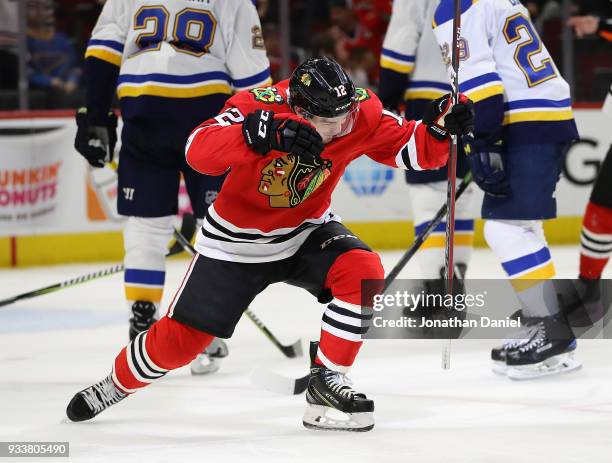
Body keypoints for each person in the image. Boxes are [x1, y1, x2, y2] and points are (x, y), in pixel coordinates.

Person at [66, 57, 475, 431]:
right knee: (178, 345)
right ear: (300, 111)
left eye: (346, 115)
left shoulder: (358, 112)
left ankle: (325, 383)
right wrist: (254, 135)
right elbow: (197, 152)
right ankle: (115, 384)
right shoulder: (257, 106)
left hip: (305, 231)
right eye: (330, 122)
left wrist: (440, 128)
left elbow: (414, 150)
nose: (343, 128)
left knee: (363, 271)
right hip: (235, 246)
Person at [73, 0, 271, 375]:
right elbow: (254, 81)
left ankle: (142, 323)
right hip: (209, 123)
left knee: (146, 227)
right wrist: (262, 133)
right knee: (215, 227)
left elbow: (104, 49)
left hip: (144, 116)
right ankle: (203, 325)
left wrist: (94, 115)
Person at [432, 0, 580, 379]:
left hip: (524, 121)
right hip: (546, 116)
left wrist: (484, 142)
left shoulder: (454, 9)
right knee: (523, 226)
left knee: (506, 228)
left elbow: (482, 83)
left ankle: (552, 330)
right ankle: (545, 325)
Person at [379, 0, 476, 337]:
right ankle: (455, 278)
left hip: (429, 98)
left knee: (429, 192)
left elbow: (400, 49)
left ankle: (439, 291)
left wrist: (386, 103)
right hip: (479, 97)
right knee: (459, 197)